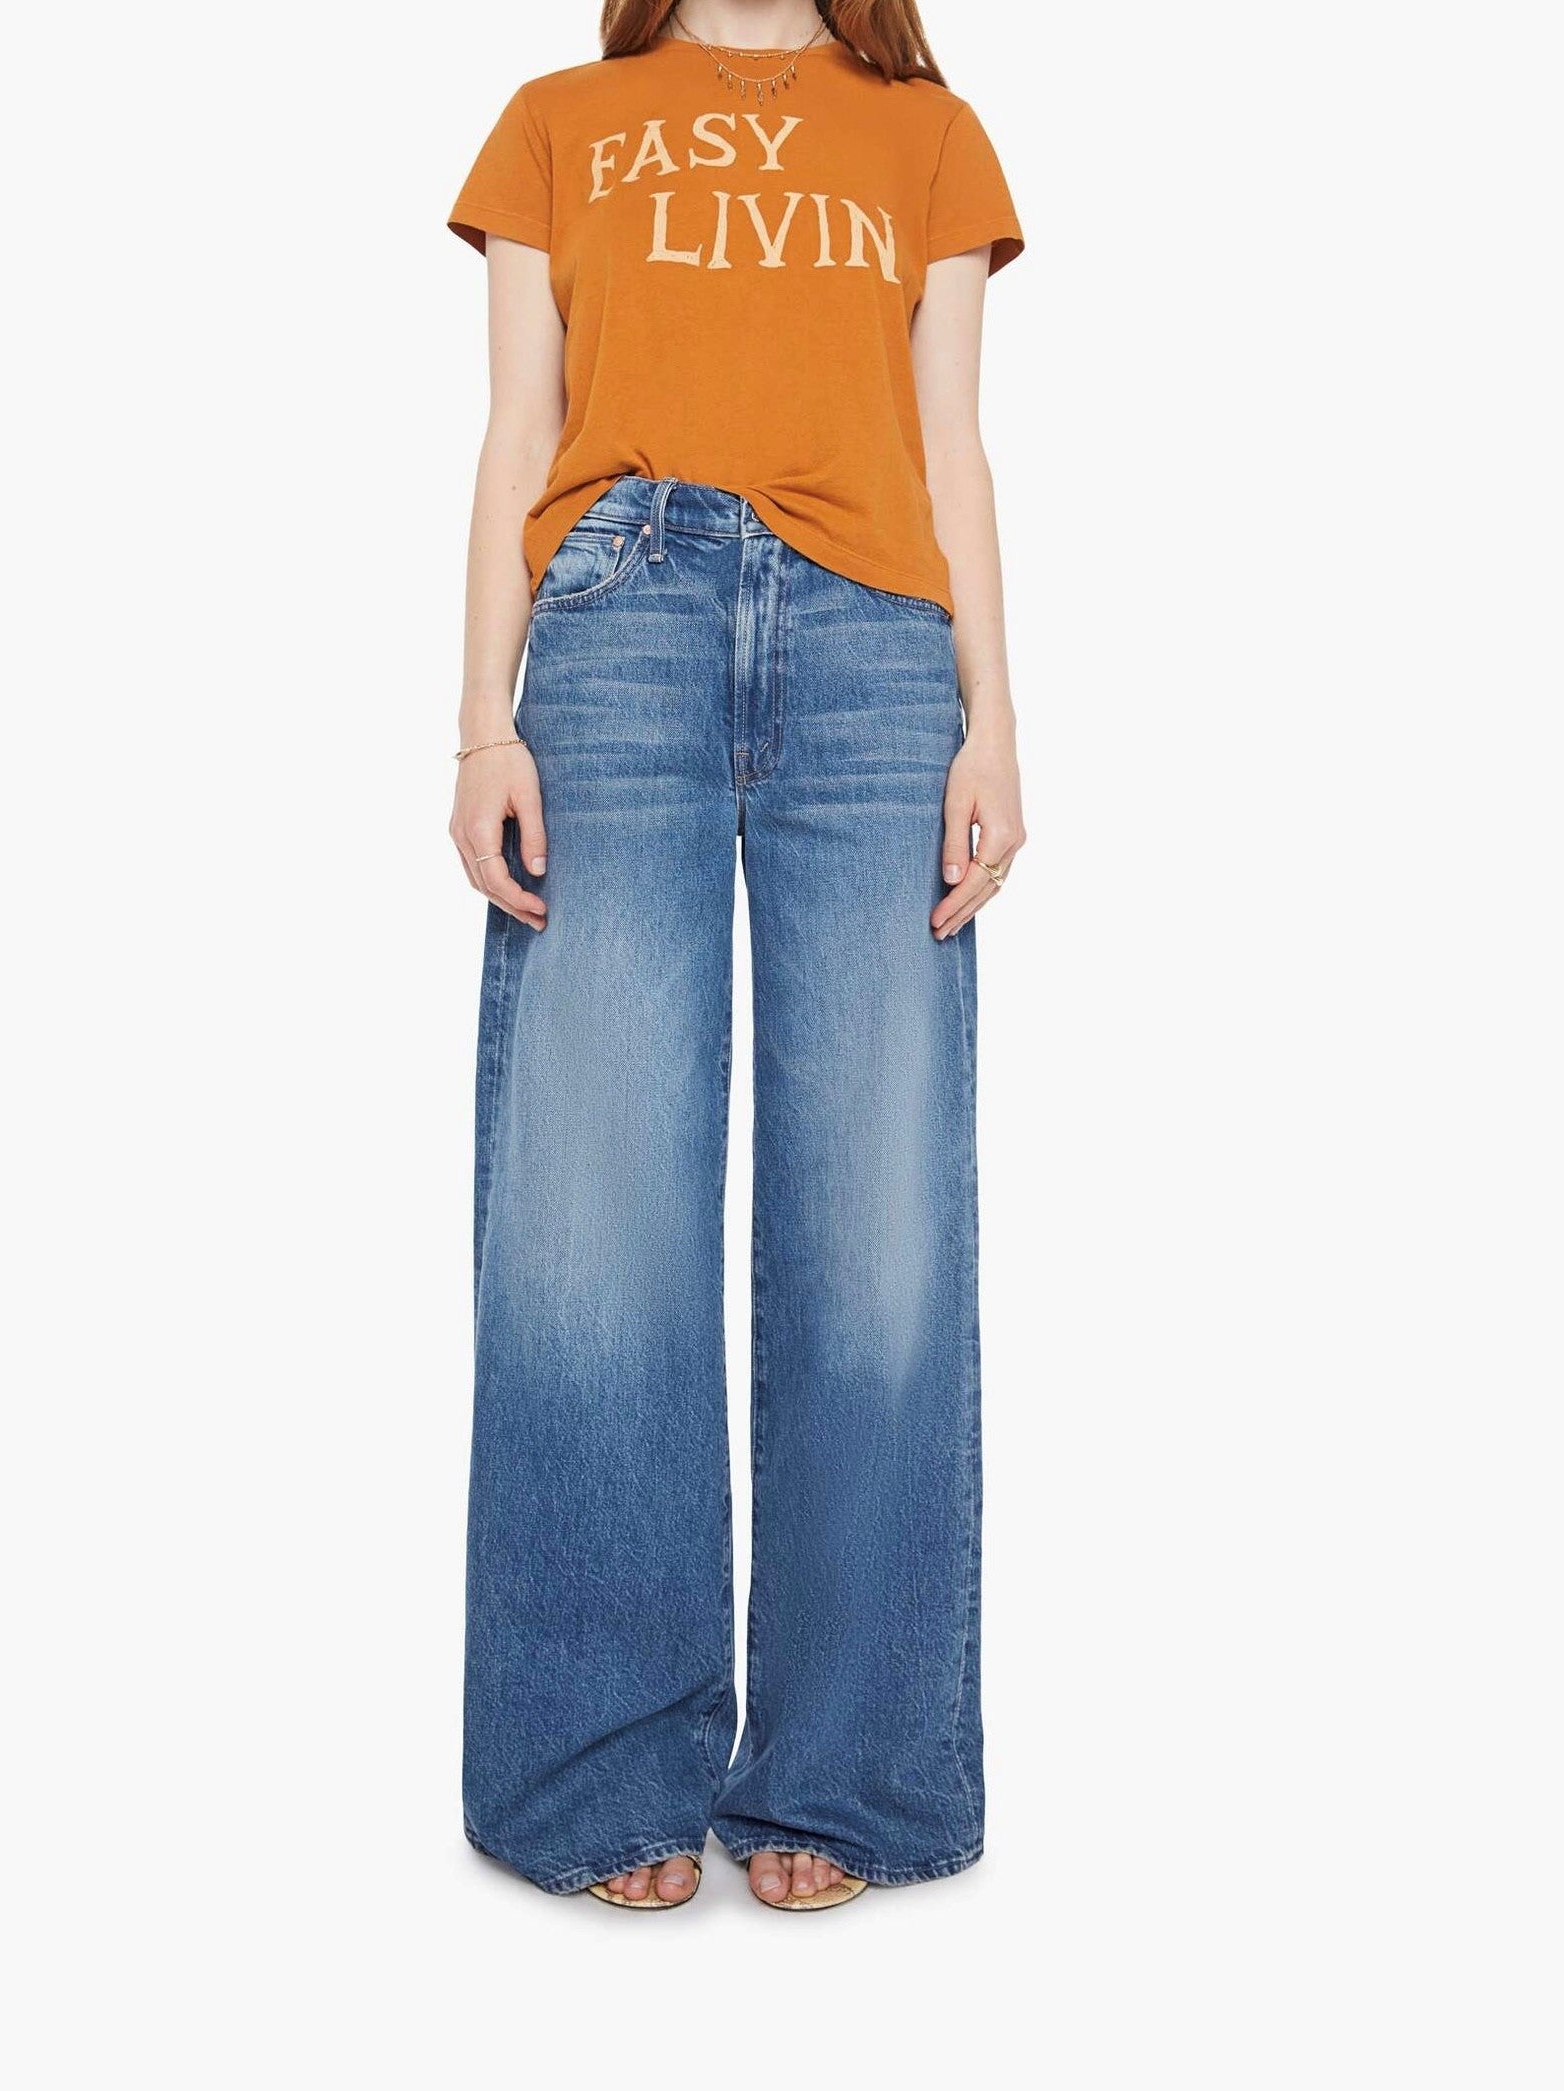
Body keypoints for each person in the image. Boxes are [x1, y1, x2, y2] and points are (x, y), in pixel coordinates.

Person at [446, 0, 1026, 1912]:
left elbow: (954, 446)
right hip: (616, 619)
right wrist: (481, 722)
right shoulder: (560, 119)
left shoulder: (928, 136)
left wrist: (994, 725)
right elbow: (516, 430)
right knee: (595, 1200)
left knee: (877, 1210)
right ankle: (600, 1762)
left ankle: (850, 1771)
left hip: (874, 654)